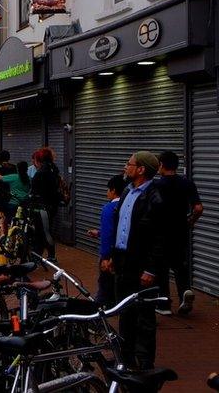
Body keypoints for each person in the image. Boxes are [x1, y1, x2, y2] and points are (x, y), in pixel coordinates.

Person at [105, 151, 166, 369]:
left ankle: (145, 364)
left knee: (144, 317)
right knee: (125, 311)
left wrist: (150, 269)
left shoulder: (155, 197)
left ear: (140, 169)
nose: (125, 167)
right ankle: (126, 358)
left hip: (141, 263)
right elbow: (121, 228)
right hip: (123, 261)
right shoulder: (128, 193)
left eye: (129, 164)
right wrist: (112, 255)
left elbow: (159, 237)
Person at [154, 150, 203, 315]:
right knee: (180, 266)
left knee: (161, 268)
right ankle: (184, 293)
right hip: (181, 229)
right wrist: (190, 221)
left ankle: (164, 304)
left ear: (161, 165)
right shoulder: (187, 183)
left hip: (160, 231)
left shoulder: (157, 185)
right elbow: (198, 208)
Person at [88, 174, 126, 306]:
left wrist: (105, 257)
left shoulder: (109, 208)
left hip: (111, 252)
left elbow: (109, 233)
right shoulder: (128, 205)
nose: (107, 193)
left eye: (108, 189)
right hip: (125, 251)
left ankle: (101, 305)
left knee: (105, 281)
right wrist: (99, 232)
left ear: (113, 190)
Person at [30, 148, 62, 260]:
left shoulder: (41, 173)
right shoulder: (54, 170)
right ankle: (43, 255)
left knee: (42, 231)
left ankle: (44, 255)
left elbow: (34, 191)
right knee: (45, 229)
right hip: (53, 205)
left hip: (42, 206)